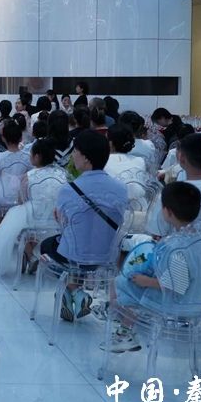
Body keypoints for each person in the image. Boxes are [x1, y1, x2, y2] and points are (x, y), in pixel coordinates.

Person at [105, 182, 201, 353]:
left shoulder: (176, 246)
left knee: (121, 282)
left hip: (175, 303)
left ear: (167, 212)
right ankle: (124, 326)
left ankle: (124, 332)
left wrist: (146, 281)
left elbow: (176, 286)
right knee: (132, 285)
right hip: (198, 299)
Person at [40, 131, 128, 320]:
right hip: (107, 256)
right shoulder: (121, 189)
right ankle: (76, 293)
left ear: (86, 158)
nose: (72, 155)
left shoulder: (68, 190)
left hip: (74, 255)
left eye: (75, 151)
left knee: (49, 245)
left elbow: (64, 226)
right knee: (81, 243)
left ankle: (73, 292)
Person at [0, 139, 68, 276]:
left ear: (37, 157)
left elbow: (21, 200)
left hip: (34, 215)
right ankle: (32, 254)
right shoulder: (63, 174)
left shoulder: (29, 176)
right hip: (56, 218)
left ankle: (30, 255)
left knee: (17, 221)